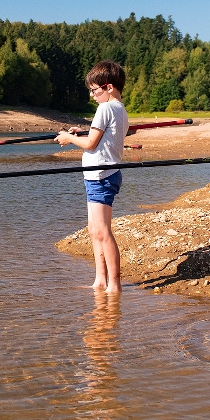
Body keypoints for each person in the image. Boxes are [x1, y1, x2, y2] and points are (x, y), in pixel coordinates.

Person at [57, 60, 129, 294]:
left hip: (101, 176)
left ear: (109, 87)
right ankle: (100, 280)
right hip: (100, 175)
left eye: (94, 90)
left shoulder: (105, 108)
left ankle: (114, 285)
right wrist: (82, 132)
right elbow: (104, 135)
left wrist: (69, 138)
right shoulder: (119, 108)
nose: (91, 95)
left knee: (103, 232)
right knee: (93, 230)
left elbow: (90, 144)